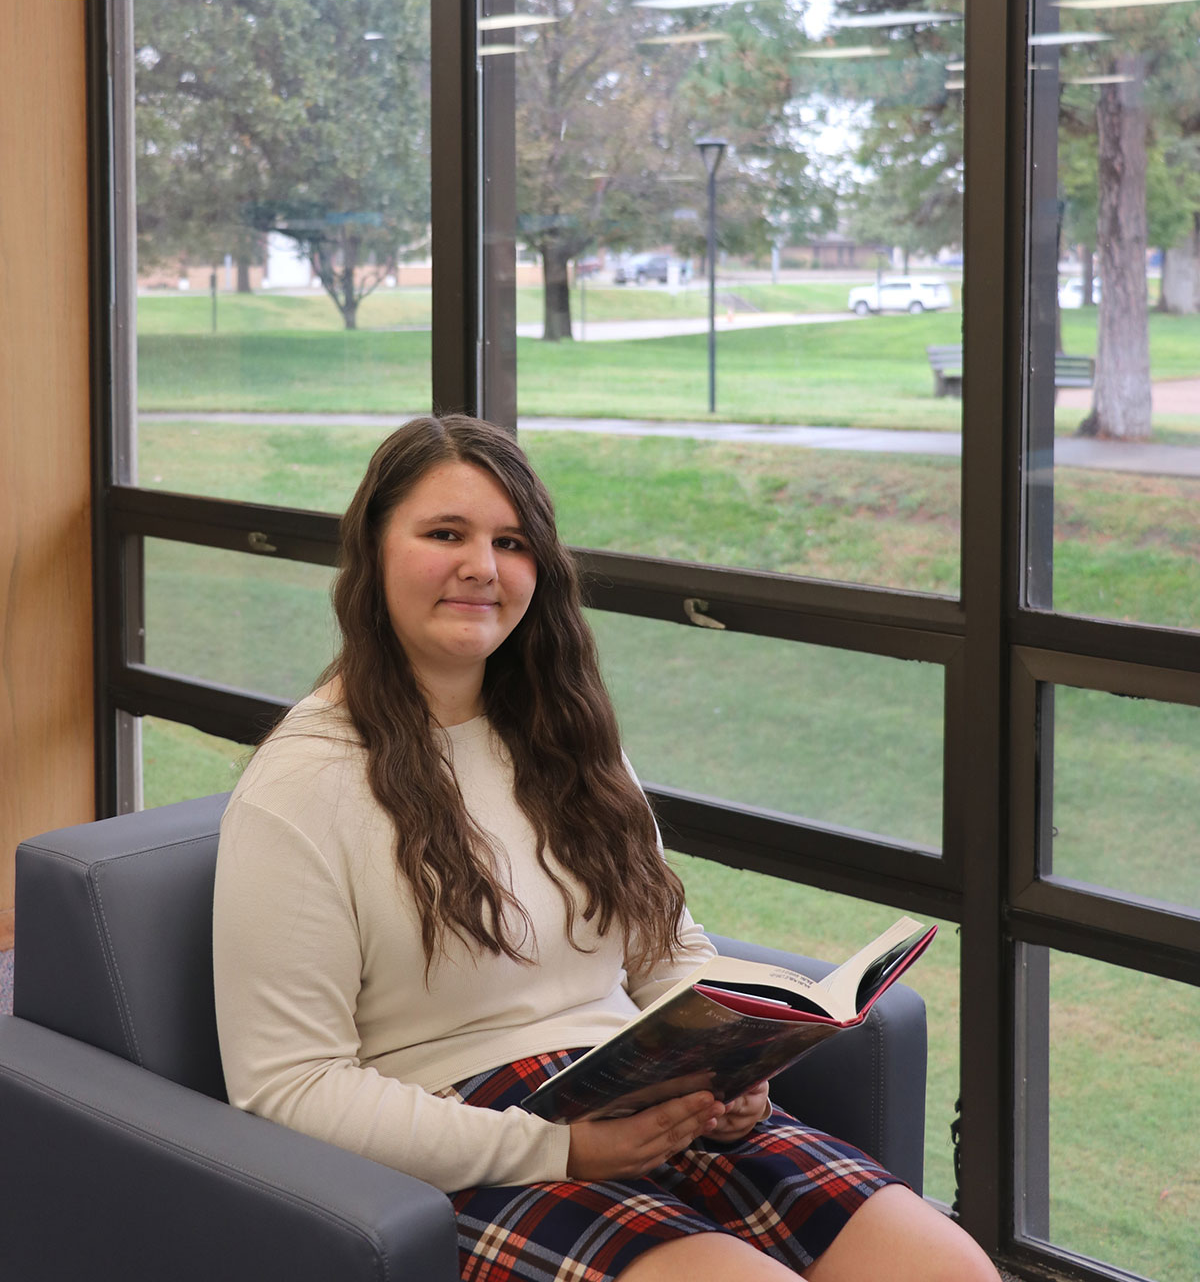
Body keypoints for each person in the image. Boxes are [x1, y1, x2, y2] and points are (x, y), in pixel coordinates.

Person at [212, 414, 998, 1282]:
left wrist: (733, 1067)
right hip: (465, 1145)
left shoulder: (565, 736)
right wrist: (559, 1148)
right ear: (373, 551)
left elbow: (666, 947)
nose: (482, 566)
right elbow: (288, 1087)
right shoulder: (303, 786)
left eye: (511, 542)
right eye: (445, 533)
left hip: (637, 1096)